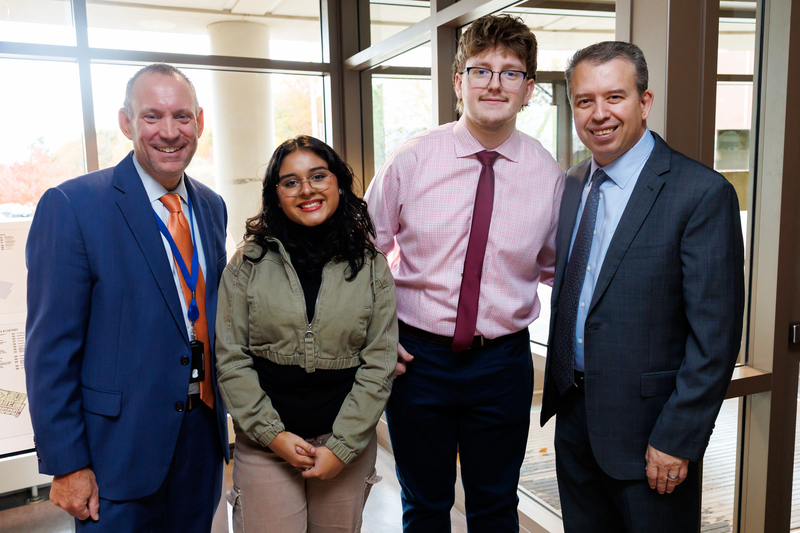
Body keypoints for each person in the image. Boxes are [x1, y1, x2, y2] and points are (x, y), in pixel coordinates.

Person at [365, 14, 564, 532]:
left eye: (511, 72)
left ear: (528, 90)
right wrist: (378, 335)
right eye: (480, 70)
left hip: (502, 365)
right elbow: (363, 254)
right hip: (417, 360)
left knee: (495, 507)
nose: (494, 84)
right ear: (459, 83)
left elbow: (555, 268)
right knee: (425, 505)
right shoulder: (412, 160)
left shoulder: (548, 175)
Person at [540, 41, 745, 532]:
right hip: (574, 421)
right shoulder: (573, 183)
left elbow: (715, 339)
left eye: (615, 97)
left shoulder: (701, 193)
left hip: (653, 436)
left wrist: (678, 437)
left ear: (645, 101)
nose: (599, 113)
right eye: (585, 101)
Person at [25, 63, 228, 531]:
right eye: (152, 116)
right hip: (116, 451)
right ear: (126, 122)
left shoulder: (211, 206)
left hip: (201, 436)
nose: (169, 132)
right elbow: (50, 349)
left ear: (199, 122)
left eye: (182, 116)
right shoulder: (73, 205)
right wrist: (67, 463)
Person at [215, 135, 397, 533]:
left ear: (338, 184)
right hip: (266, 445)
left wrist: (342, 446)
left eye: (318, 176)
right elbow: (231, 359)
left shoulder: (371, 266)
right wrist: (273, 435)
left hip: (344, 444)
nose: (307, 190)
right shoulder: (247, 264)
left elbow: (380, 363)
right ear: (275, 195)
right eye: (290, 182)